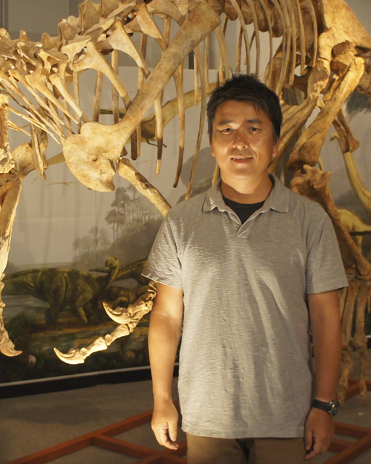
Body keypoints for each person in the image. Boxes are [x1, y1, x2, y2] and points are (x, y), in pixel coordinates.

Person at [143, 74, 346, 463]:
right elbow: (167, 315)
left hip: (287, 412)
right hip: (208, 415)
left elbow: (325, 314)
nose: (240, 141)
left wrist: (324, 404)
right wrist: (162, 399)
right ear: (213, 143)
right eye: (227, 129)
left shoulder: (309, 220)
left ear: (274, 140)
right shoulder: (182, 221)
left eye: (254, 129)